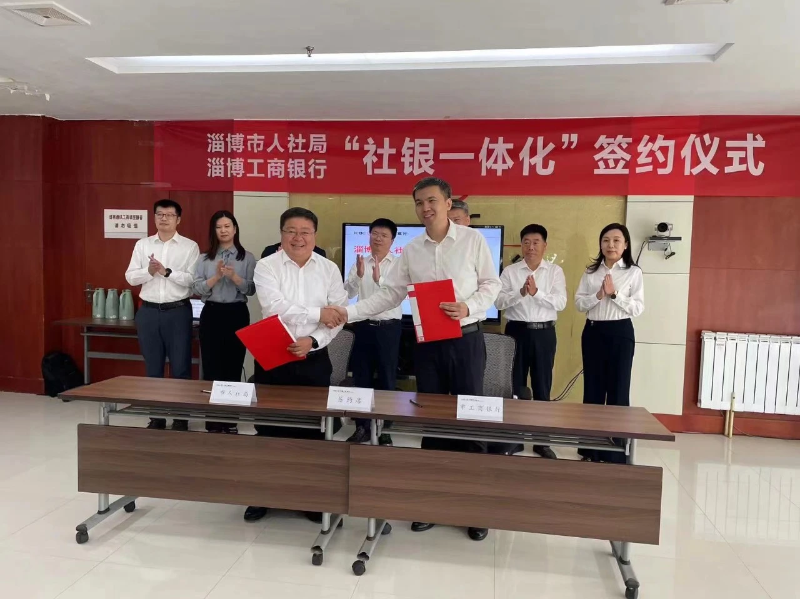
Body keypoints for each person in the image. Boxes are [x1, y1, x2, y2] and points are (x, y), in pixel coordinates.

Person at [327, 177, 501, 542]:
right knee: (432, 421)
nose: (426, 208)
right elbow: (390, 294)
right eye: (419, 202)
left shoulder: (472, 240)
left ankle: (474, 507)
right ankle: (431, 503)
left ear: (448, 203)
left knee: (470, 419)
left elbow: (491, 283)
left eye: (432, 200)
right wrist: (349, 312)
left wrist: (469, 306)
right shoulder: (412, 249)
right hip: (428, 342)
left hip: (466, 339)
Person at [243, 207, 348, 523]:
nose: (298, 237)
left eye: (305, 231)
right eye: (291, 231)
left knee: (314, 429)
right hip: (273, 355)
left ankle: (310, 497)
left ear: (314, 235)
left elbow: (338, 316)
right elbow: (275, 307)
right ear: (281, 234)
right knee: (270, 427)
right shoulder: (267, 266)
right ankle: (264, 495)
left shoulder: (329, 269)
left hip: (314, 358)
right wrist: (318, 314)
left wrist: (313, 340)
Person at [125, 199, 199, 431]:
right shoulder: (142, 245)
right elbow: (130, 277)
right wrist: (149, 271)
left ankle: (180, 417)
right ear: (154, 217)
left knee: (180, 367)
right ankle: (156, 417)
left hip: (177, 312)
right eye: (159, 214)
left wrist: (167, 272)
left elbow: (192, 280)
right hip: (148, 312)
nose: (164, 218)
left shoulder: (189, 247)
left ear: (179, 219)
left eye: (169, 215)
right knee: (153, 368)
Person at [495, 224, 566, 459]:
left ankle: (541, 441)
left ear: (545, 246)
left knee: (542, 386)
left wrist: (537, 293)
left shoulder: (554, 272)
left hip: (544, 333)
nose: (531, 247)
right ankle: (513, 439)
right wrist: (521, 293)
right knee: (514, 386)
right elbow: (498, 302)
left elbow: (561, 303)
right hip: (516, 332)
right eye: (526, 242)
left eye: (536, 242)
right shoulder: (510, 272)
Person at [575, 223, 644, 463]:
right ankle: (590, 450)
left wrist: (614, 294)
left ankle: (616, 452)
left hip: (620, 333)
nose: (610, 245)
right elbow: (579, 304)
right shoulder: (591, 272)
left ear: (625, 245)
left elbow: (638, 308)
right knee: (593, 391)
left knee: (618, 391)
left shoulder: (633, 272)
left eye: (616, 240)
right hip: (593, 332)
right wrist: (598, 295)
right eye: (606, 240)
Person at [193, 210, 256, 434]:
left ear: (235, 229)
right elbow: (197, 288)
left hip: (236, 313)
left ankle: (230, 420)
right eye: (219, 227)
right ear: (214, 230)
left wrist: (234, 277)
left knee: (233, 366)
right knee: (211, 367)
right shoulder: (204, 258)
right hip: (211, 313)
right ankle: (212, 421)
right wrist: (216, 277)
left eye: (227, 226)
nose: (223, 230)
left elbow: (251, 289)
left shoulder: (247, 258)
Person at [343, 218, 402, 446]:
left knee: (387, 378)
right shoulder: (360, 262)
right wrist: (358, 276)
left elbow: (399, 295)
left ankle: (384, 429)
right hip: (363, 327)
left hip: (389, 328)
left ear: (392, 240)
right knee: (361, 377)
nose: (378, 239)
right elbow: (348, 294)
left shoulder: (398, 265)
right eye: (374, 234)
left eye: (383, 235)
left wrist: (380, 280)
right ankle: (362, 427)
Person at [261, 241, 326, 259]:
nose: (298, 238)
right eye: (292, 231)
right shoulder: (269, 252)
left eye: (304, 232)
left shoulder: (319, 253)